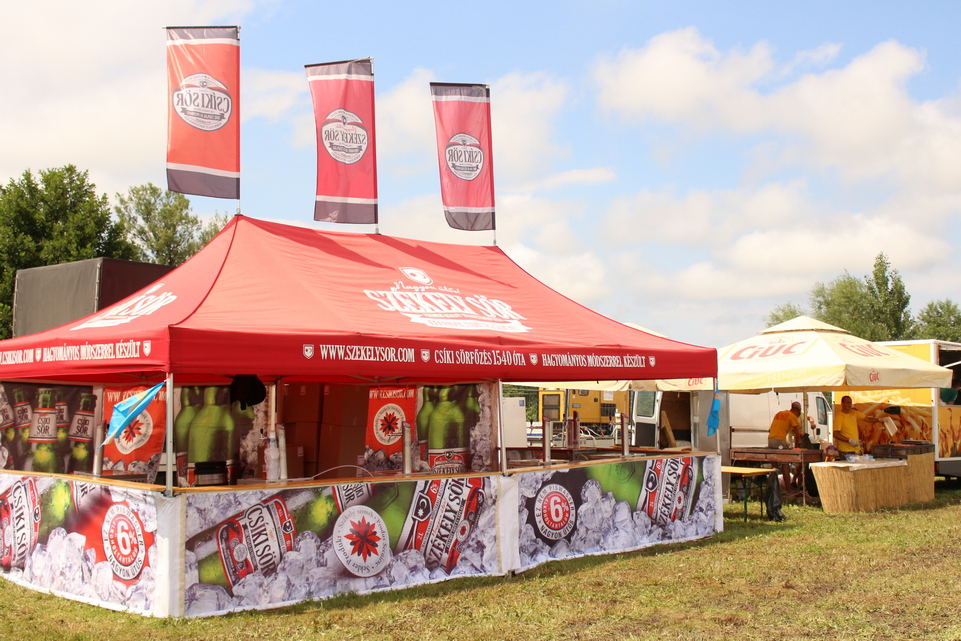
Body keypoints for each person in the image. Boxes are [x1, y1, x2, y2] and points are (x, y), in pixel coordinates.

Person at [768, 401, 815, 489]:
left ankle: (773, 487)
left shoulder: (779, 413)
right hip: (779, 440)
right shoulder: (792, 416)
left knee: (774, 463)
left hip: (771, 439)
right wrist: (796, 447)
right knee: (785, 463)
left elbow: (773, 429)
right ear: (797, 410)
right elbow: (797, 434)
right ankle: (788, 488)